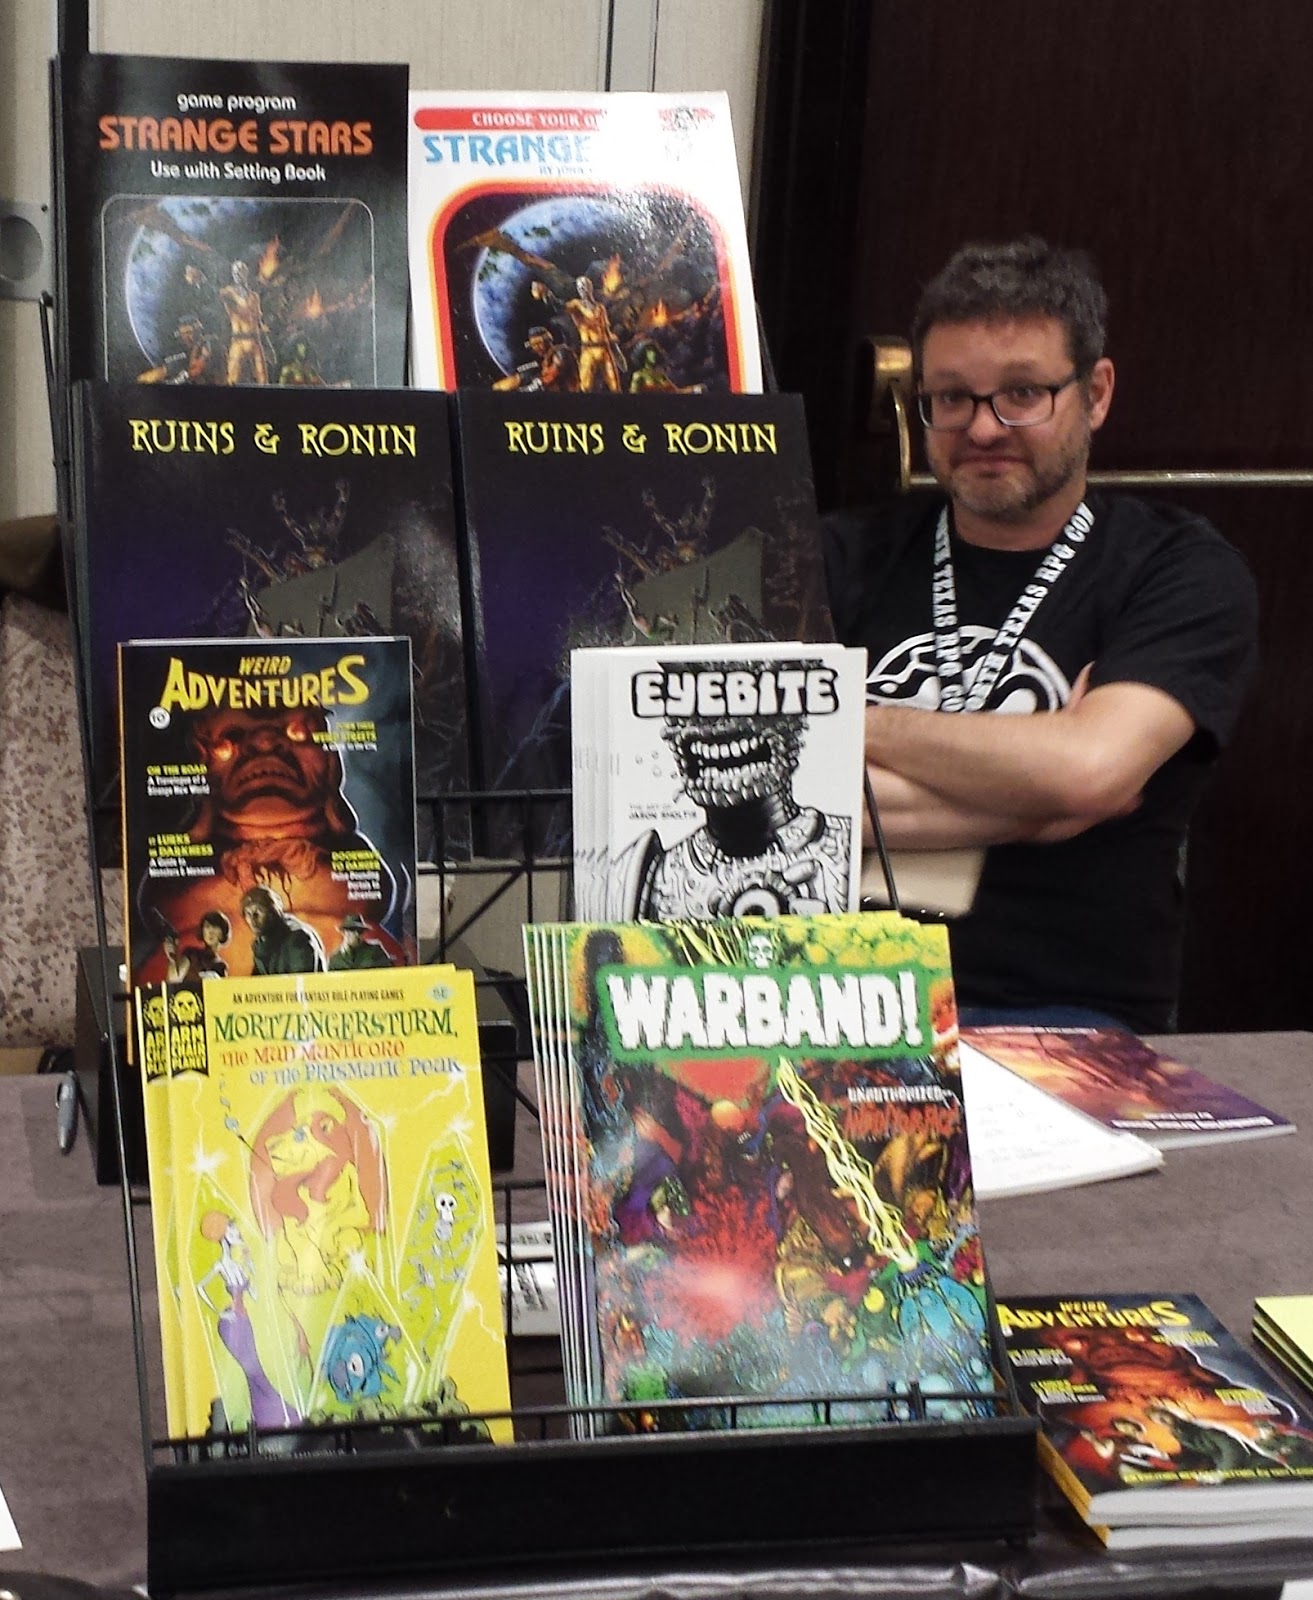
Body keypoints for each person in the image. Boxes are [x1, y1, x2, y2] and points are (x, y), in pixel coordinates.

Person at [824, 237, 1258, 1031]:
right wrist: (1036, 804)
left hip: (1060, 1014)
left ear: (1094, 394)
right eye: (950, 398)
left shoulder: (1176, 570)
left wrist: (848, 721)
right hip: (829, 995)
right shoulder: (836, 556)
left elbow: (1088, 768)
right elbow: (754, 799)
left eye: (1021, 393)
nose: (982, 427)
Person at [240, 885, 324, 976]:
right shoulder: (261, 942)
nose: (253, 919)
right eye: (248, 914)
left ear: (272, 911)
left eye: (259, 911)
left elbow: (301, 981)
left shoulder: (297, 938)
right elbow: (256, 981)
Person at [328, 912, 392, 971]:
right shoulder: (336, 959)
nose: (348, 935)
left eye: (353, 931)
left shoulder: (375, 952)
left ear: (360, 933)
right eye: (347, 931)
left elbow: (388, 973)